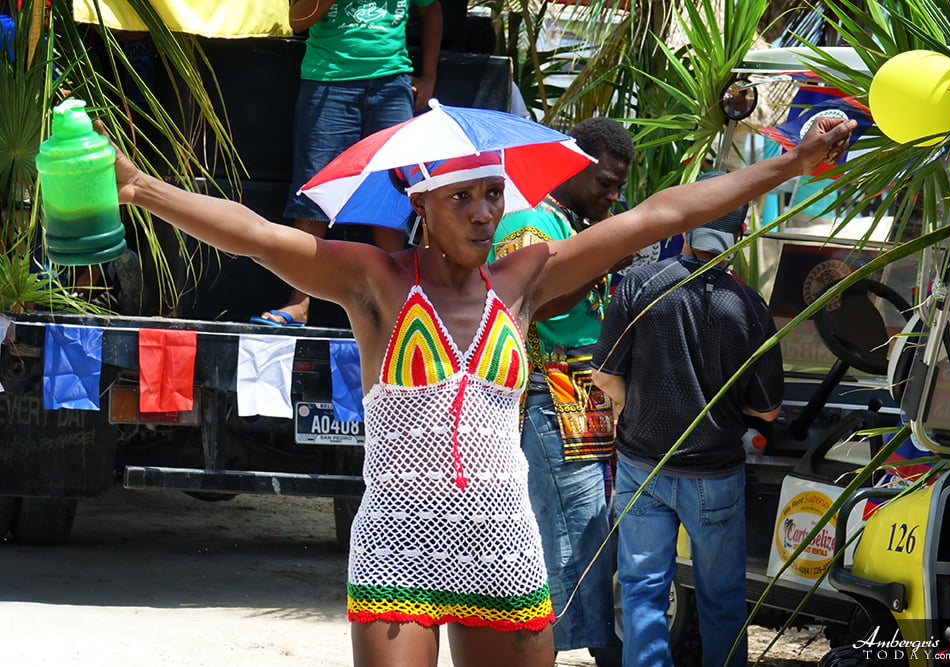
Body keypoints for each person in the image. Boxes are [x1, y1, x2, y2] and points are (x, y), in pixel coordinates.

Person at [102, 112, 853, 666]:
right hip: (399, 540)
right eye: (461, 197)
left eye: (492, 193)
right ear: (419, 202)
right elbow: (257, 233)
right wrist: (142, 188)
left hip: (502, 536)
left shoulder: (524, 281)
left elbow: (658, 214)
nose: (484, 212)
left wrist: (787, 165)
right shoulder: (374, 282)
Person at [591, 174, 785, 667]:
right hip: (715, 474)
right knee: (722, 598)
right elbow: (767, 410)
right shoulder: (749, 305)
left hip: (642, 467)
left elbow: (605, 376)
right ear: (738, 236)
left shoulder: (640, 283)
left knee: (642, 593)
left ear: (684, 228)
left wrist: (632, 410)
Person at [489, 117, 633, 664]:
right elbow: (533, 302)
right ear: (573, 166)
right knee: (577, 532)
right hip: (550, 400)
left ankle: (597, 643)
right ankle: (594, 649)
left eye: (619, 187)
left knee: (588, 527)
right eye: (604, 183)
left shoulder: (559, 218)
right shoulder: (531, 220)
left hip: (578, 401)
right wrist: (600, 266)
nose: (613, 197)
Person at [255, 0, 443, 326]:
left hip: (391, 82)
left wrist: (428, 76)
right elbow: (296, 21)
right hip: (327, 78)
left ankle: (395, 303)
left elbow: (432, 10)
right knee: (314, 192)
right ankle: (300, 301)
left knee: (392, 193)